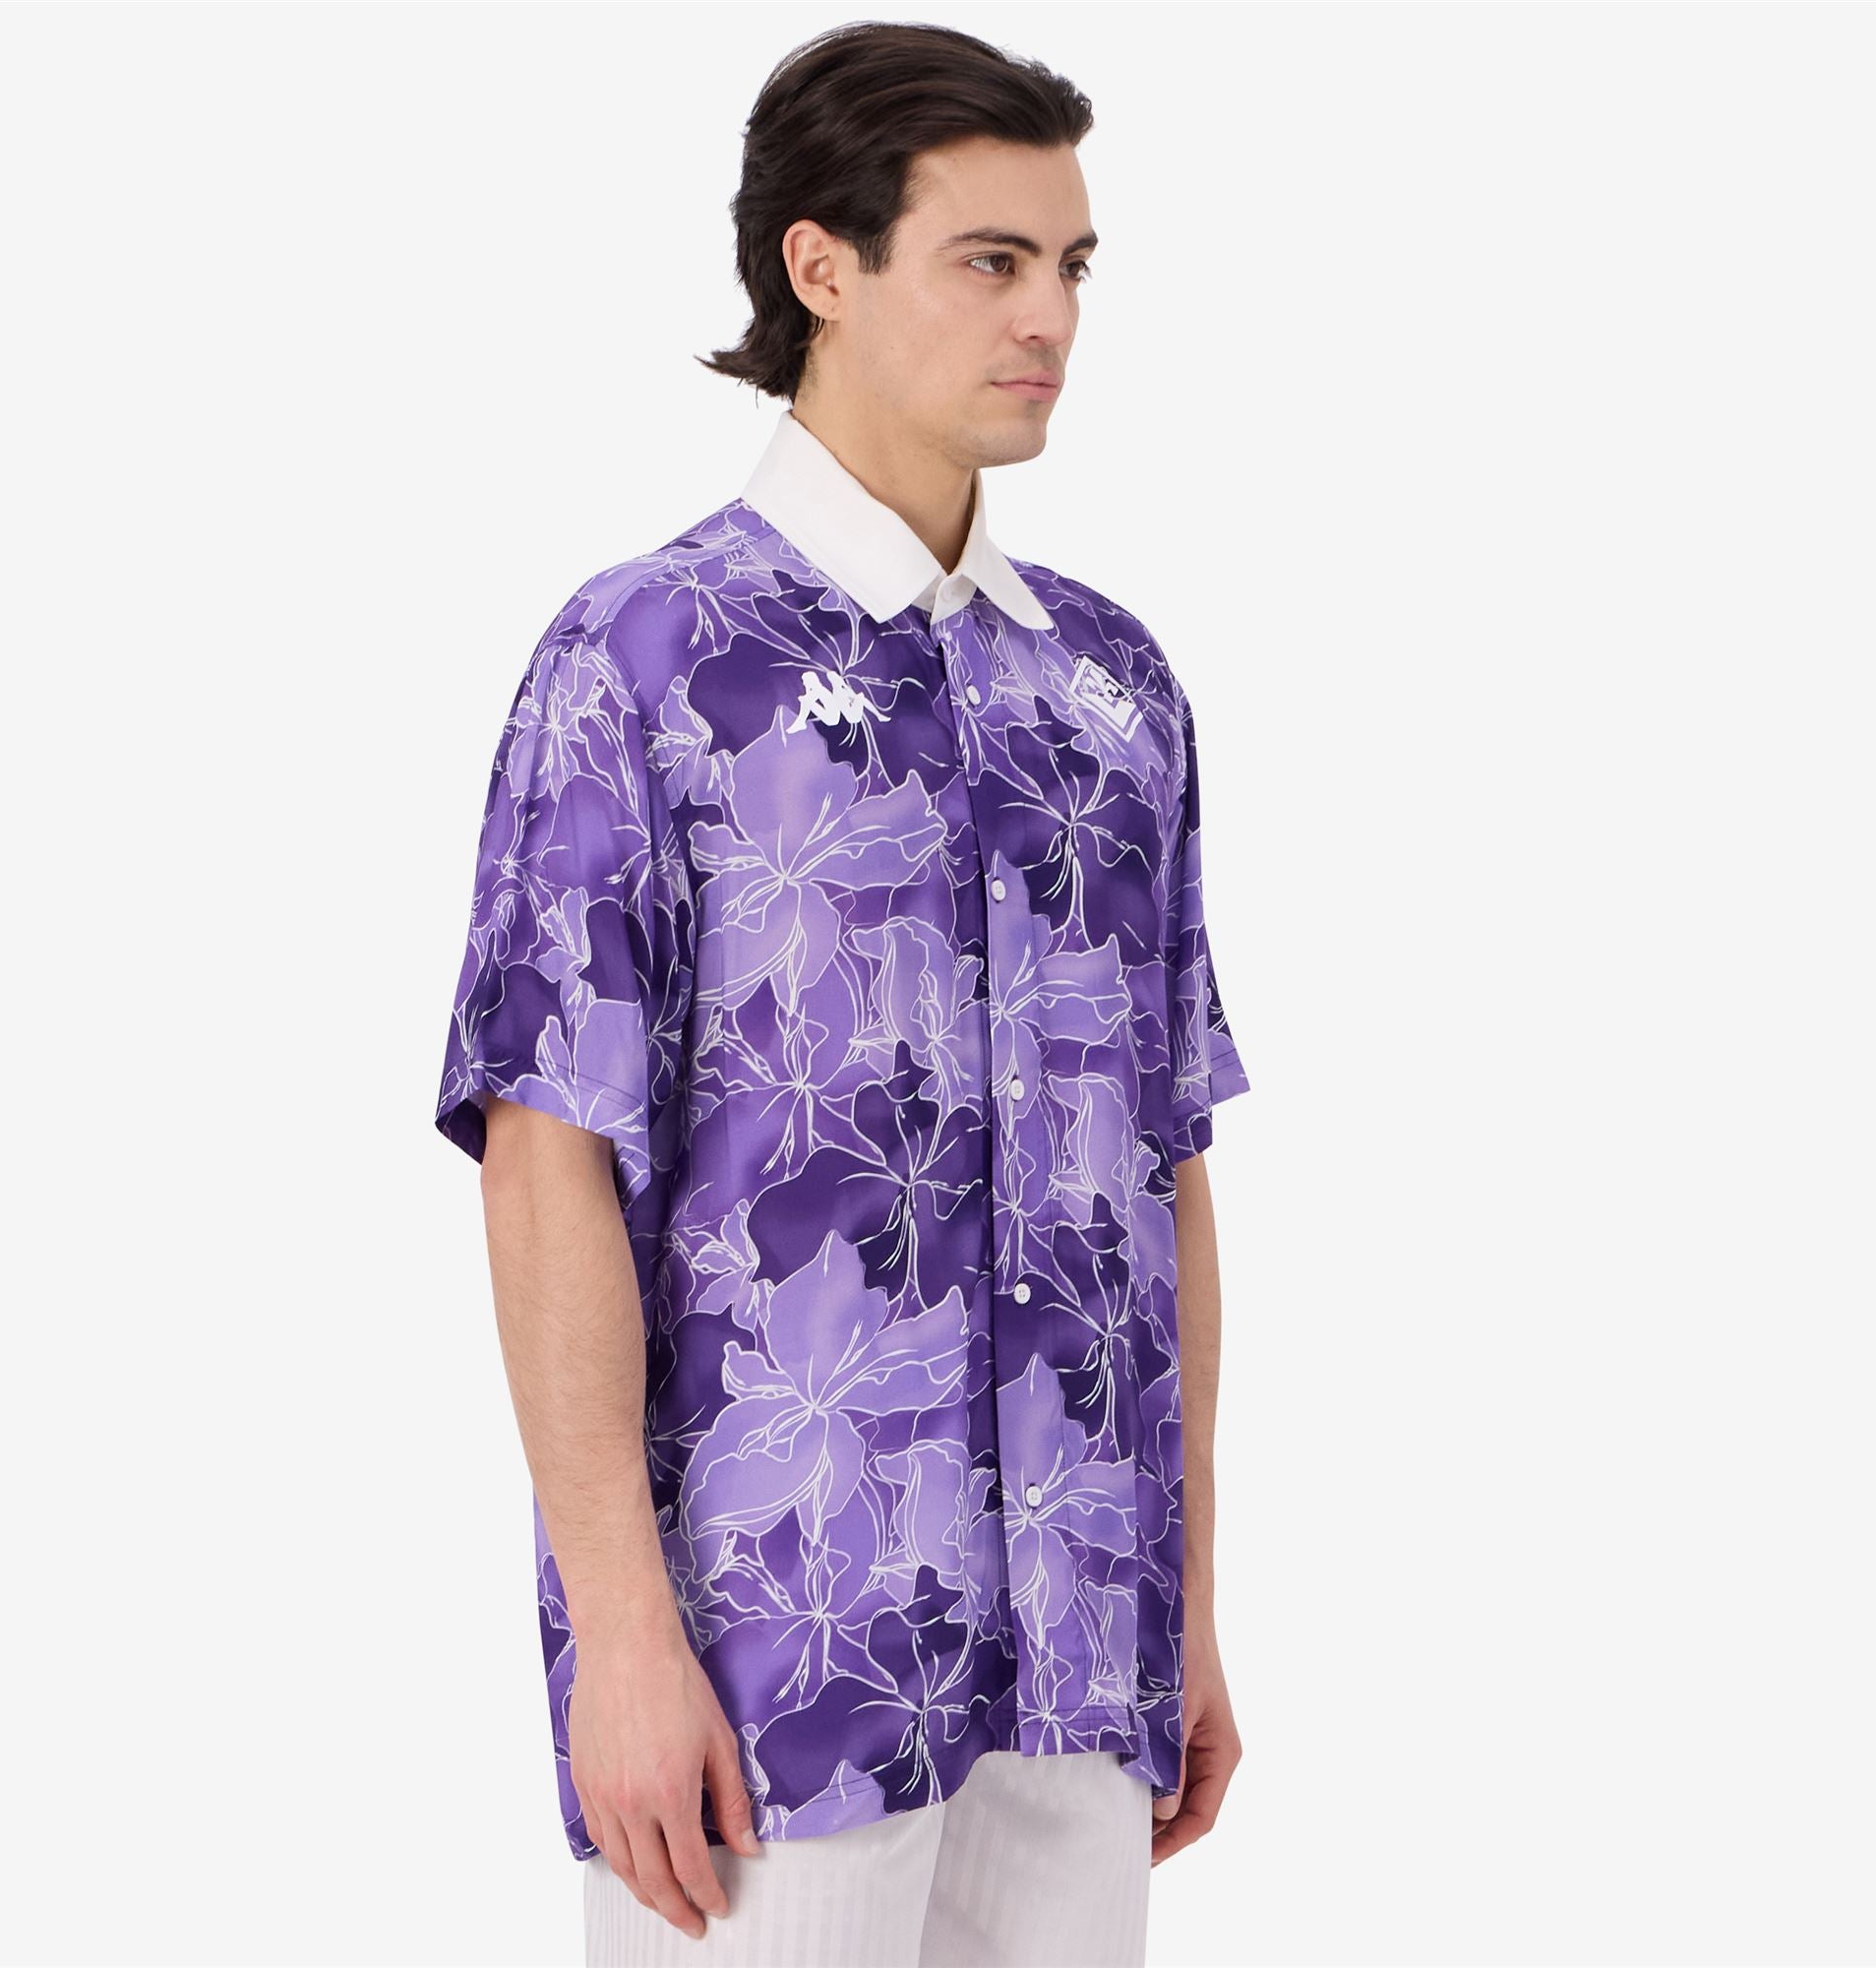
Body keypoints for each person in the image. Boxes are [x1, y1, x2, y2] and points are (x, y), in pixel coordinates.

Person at [433, 21, 1251, 1965]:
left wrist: (1191, 1601)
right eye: (992, 260)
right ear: (821, 265)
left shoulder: (1110, 687)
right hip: (768, 1675)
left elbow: (1165, 1166)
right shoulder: (646, 658)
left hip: (1081, 1650)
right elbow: (547, 1156)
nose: (1049, 318)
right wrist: (621, 1639)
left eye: (1072, 266)